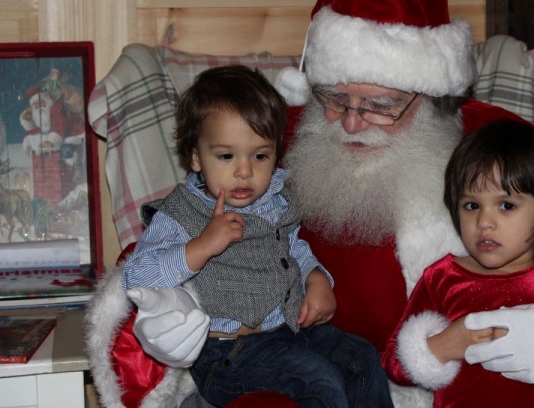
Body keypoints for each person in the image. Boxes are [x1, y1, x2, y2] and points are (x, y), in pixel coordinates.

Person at [89, 0, 534, 407]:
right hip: (281, 363)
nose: (353, 122)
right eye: (336, 97)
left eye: (381, 104)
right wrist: (159, 317)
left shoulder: (488, 145)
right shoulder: (281, 140)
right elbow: (169, 234)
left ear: (432, 97)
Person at [120, 65, 393, 407]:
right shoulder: (180, 213)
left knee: (361, 359)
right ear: (194, 156)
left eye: (260, 156)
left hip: (292, 332)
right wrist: (200, 248)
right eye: (226, 156)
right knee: (319, 382)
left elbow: (292, 247)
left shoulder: (276, 201)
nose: (245, 171)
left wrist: (316, 278)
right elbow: (135, 277)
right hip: (228, 352)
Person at [383, 119, 534, 406]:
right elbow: (394, 363)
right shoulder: (442, 277)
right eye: (471, 205)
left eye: (506, 205)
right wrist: (446, 344)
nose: (483, 222)